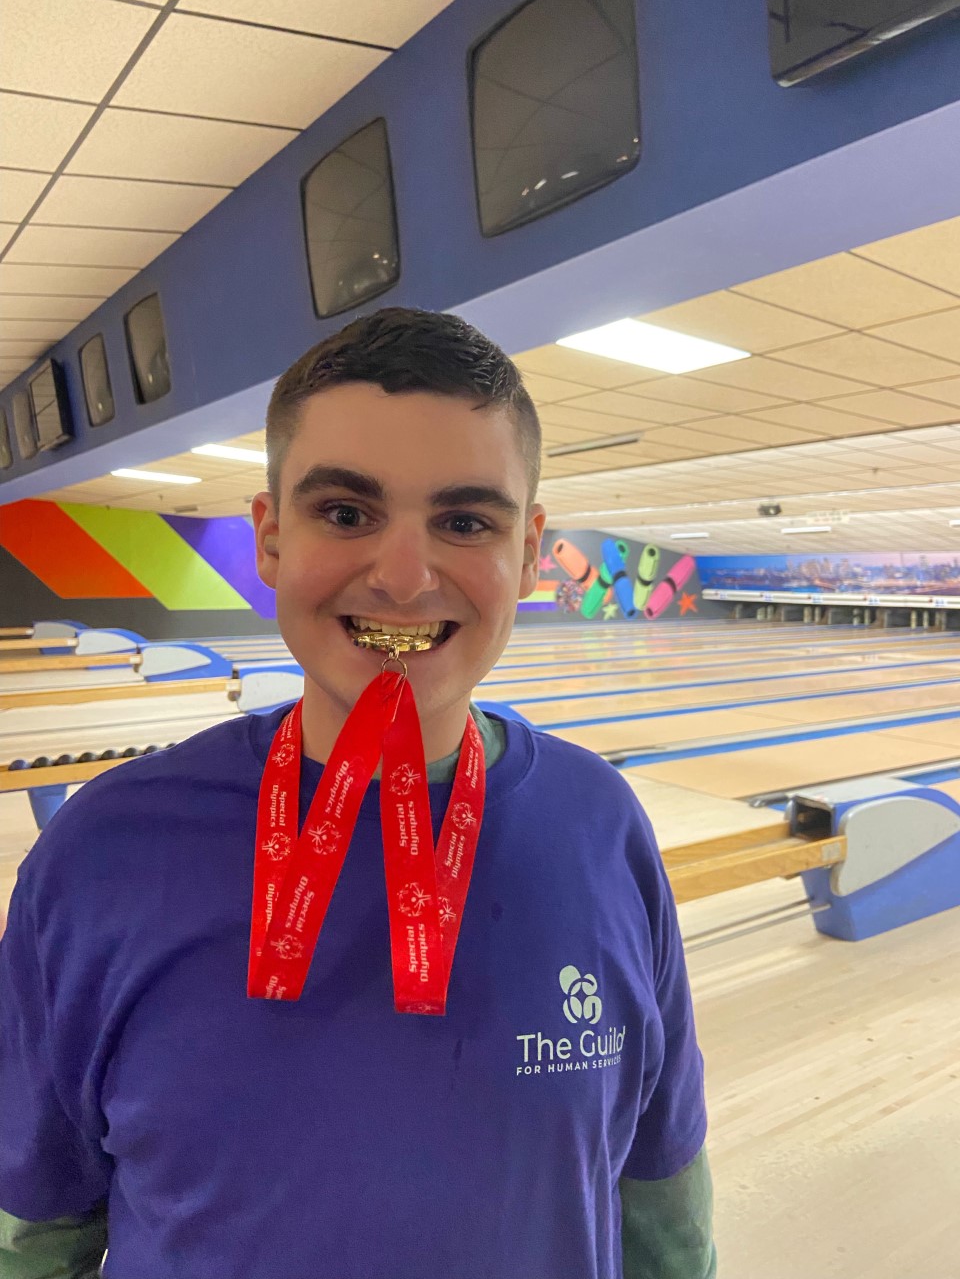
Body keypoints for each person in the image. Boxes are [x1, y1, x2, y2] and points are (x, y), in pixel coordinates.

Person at [0, 308, 716, 1279]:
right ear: (270, 537)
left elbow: (663, 1211)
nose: (406, 575)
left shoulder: (602, 827)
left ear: (530, 549)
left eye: (465, 520)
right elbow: (33, 1233)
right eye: (346, 512)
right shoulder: (103, 852)